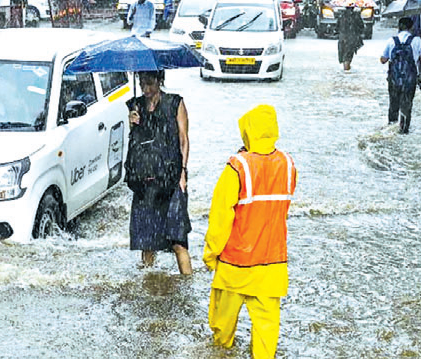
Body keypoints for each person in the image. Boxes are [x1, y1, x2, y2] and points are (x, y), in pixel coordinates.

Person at [204, 104, 297, 359]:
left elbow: (220, 217)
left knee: (221, 336)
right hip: (272, 265)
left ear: (247, 131)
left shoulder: (237, 166)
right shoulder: (289, 165)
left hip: (235, 265)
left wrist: (211, 254)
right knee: (266, 340)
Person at [125, 70, 192, 275]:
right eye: (142, 83)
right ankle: (149, 285)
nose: (146, 89)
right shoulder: (135, 106)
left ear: (159, 81)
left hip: (170, 180)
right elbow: (136, 144)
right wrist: (132, 122)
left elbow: (183, 138)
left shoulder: (175, 103)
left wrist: (182, 172)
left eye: (150, 83)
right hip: (145, 182)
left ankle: (187, 286)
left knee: (178, 240)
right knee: (147, 242)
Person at [380, 16, 421, 134]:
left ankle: (391, 128)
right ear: (411, 27)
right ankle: (404, 129)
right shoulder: (416, 40)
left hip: (394, 79)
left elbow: (383, 60)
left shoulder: (392, 40)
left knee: (393, 104)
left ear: (399, 27)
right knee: (406, 105)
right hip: (409, 79)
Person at [336, 5, 364, 71]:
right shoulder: (356, 16)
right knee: (348, 56)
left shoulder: (341, 16)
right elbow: (361, 27)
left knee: (343, 55)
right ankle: (347, 69)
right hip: (352, 38)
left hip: (342, 38)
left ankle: (345, 68)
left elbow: (337, 27)